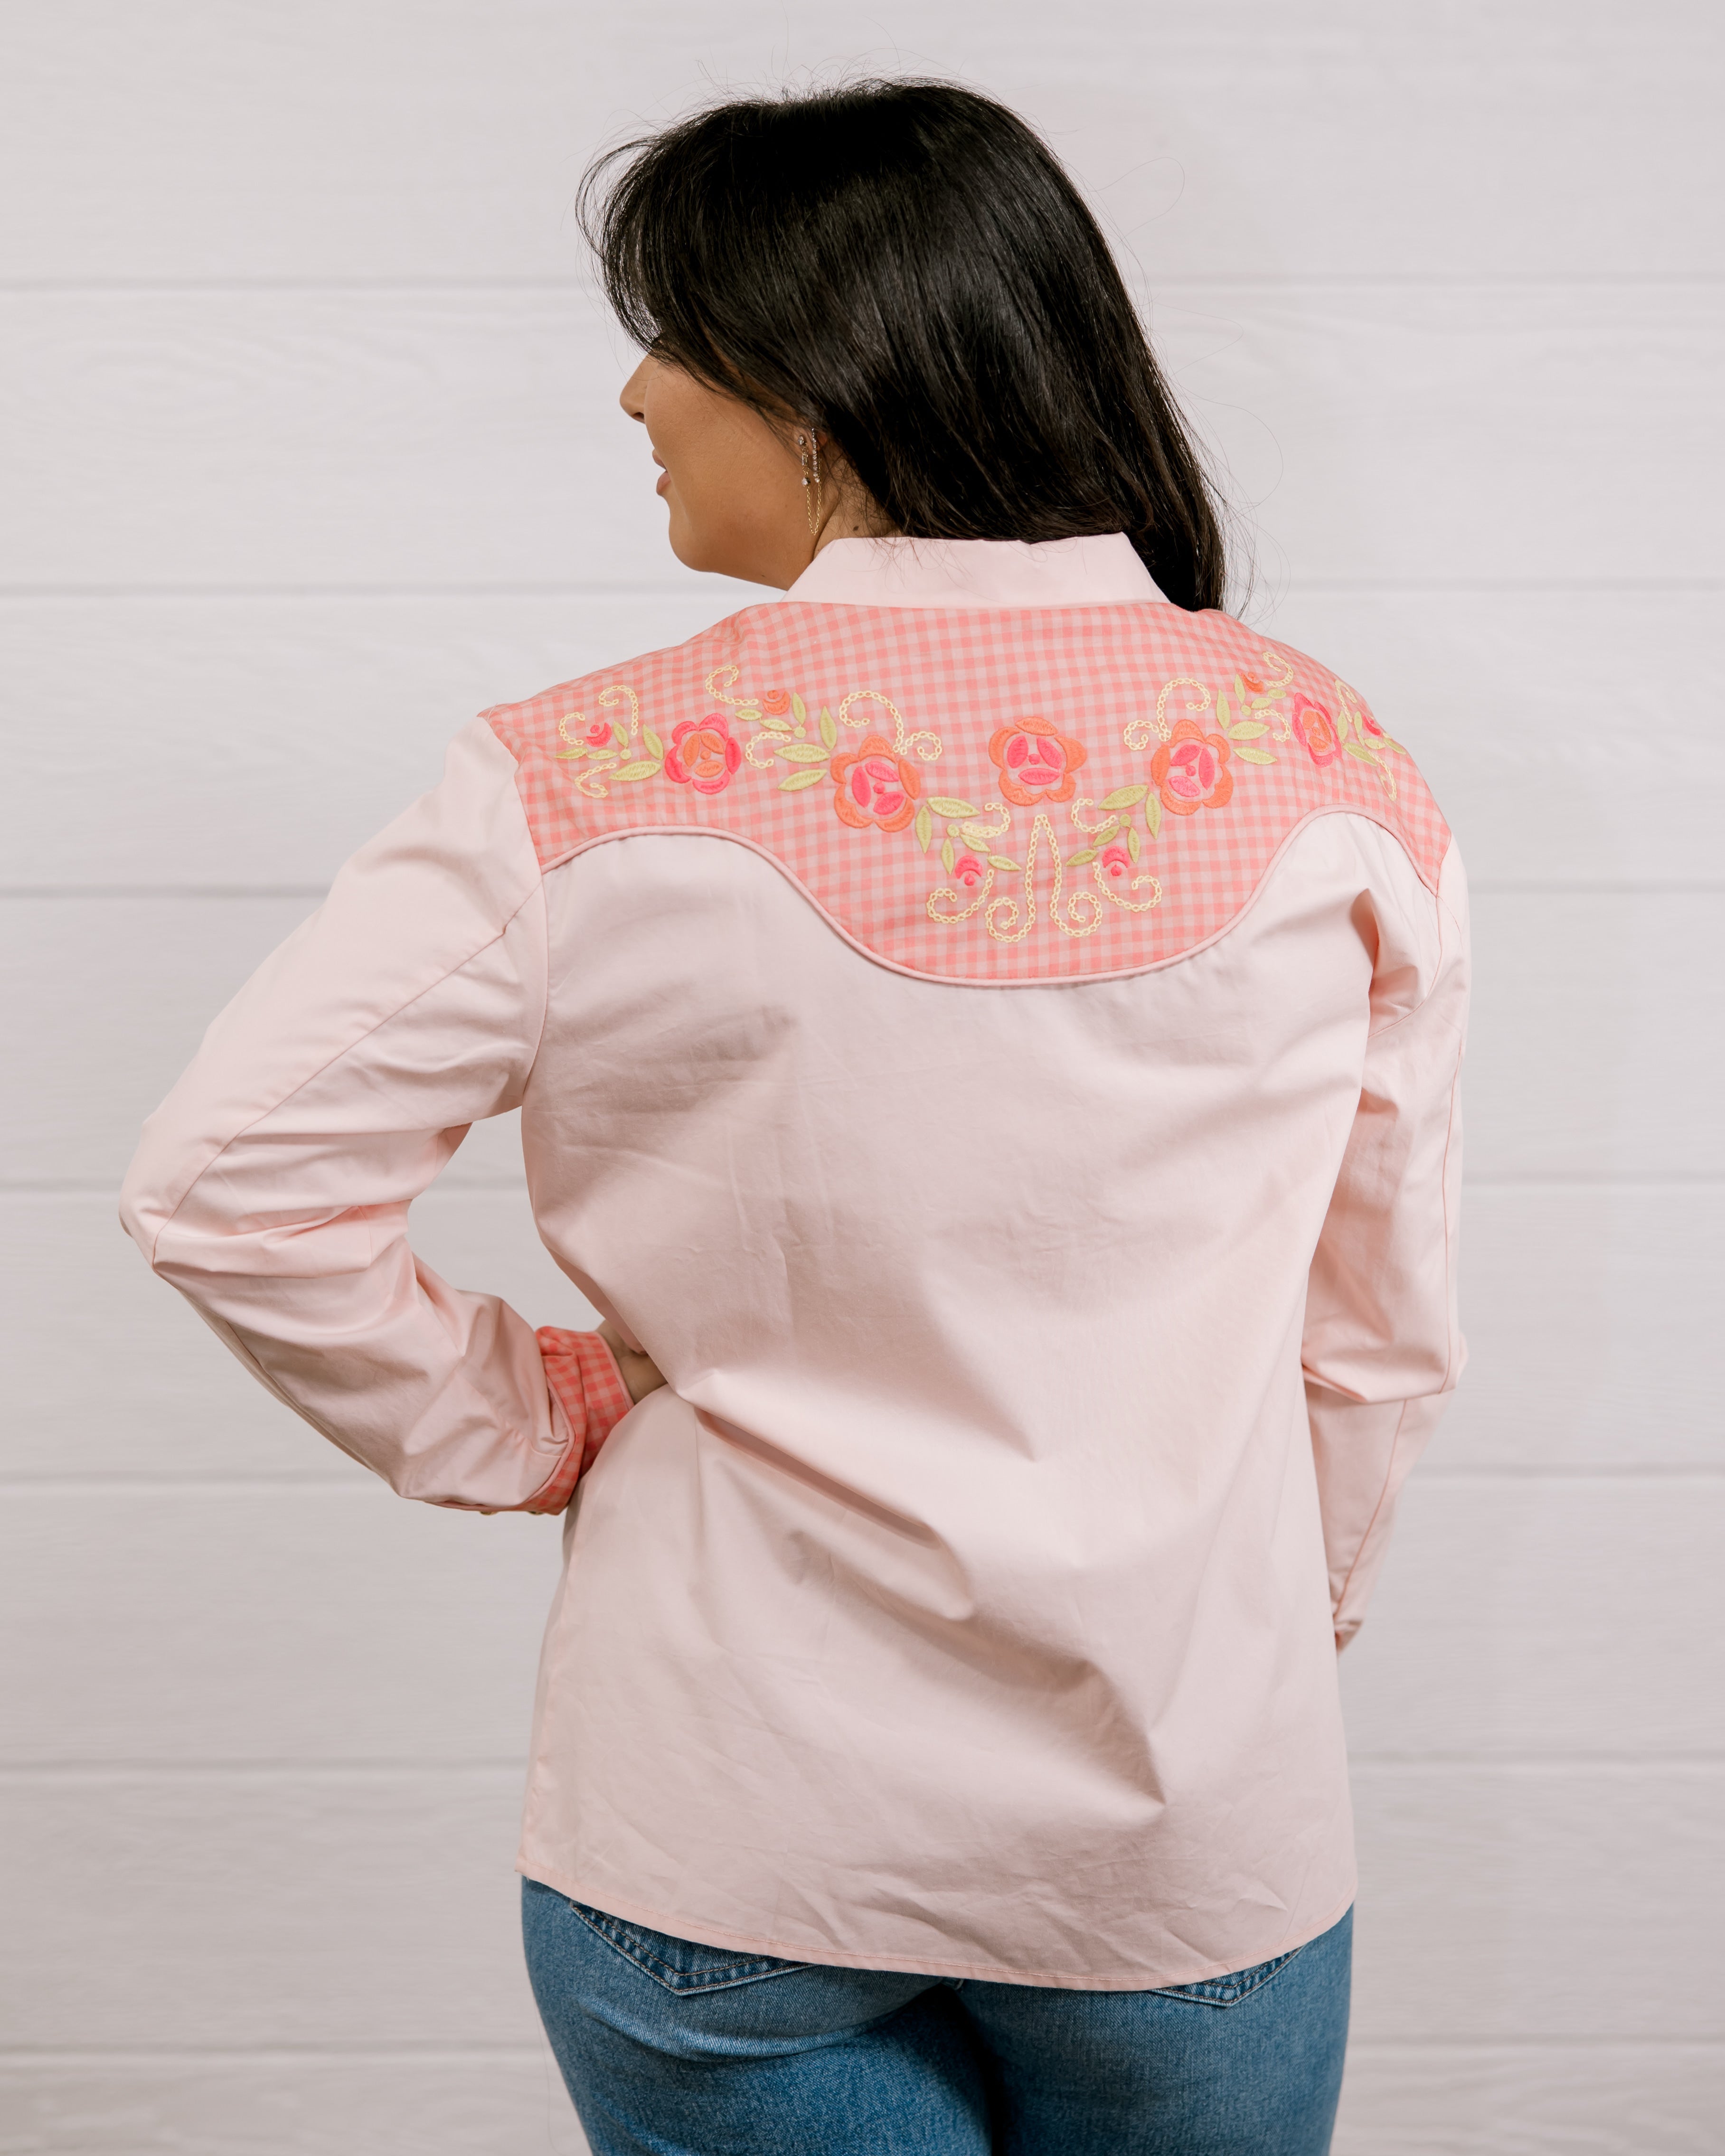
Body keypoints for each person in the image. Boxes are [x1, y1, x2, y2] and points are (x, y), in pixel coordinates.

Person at [119, 78, 1468, 2156]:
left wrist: (532, 1409)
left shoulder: (573, 778)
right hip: (1187, 1825)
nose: (640, 390)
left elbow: (226, 1187)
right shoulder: (1335, 768)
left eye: (682, 332)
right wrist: (1268, 1620)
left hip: (722, 1819)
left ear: (842, 371)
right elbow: (1376, 1335)